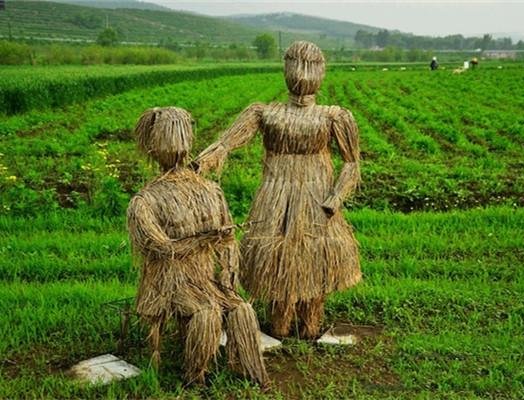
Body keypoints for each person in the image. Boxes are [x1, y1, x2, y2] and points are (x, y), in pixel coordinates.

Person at [195, 41, 361, 339]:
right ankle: (280, 325)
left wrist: (335, 198)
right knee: (276, 257)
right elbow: (225, 143)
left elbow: (352, 163)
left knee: (314, 256)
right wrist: (201, 163)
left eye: (309, 67)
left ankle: (310, 323)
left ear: (320, 71)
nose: (302, 74)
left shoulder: (334, 116)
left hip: (316, 196)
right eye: (298, 66)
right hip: (276, 195)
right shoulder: (265, 113)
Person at [127, 107, 269, 386]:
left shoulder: (208, 190)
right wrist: (203, 240)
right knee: (206, 311)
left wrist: (228, 275)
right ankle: (195, 375)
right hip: (170, 283)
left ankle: (252, 371)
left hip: (206, 279)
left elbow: (228, 241)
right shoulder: (146, 200)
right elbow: (157, 247)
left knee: (242, 309)